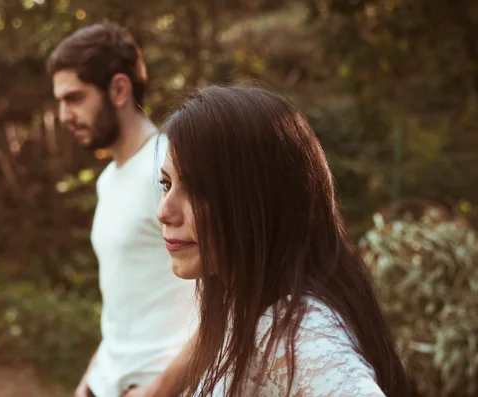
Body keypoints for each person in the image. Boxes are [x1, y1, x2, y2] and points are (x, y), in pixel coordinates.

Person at [150, 86, 411, 396]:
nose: (163, 212)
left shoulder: (292, 328)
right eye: (166, 184)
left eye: (198, 188)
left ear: (260, 200)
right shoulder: (247, 303)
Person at [47, 23, 197, 397]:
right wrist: (88, 382)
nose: (64, 115)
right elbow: (124, 309)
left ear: (118, 89)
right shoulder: (109, 181)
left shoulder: (168, 168)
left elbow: (227, 303)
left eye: (75, 98)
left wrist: (158, 390)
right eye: (60, 101)